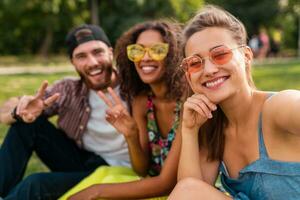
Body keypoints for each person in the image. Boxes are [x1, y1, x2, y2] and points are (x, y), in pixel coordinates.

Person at [168, 5, 300, 200]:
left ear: (246, 56)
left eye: (220, 54)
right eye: (195, 63)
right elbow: (189, 192)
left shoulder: (280, 106)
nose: (209, 70)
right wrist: (189, 130)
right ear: (188, 76)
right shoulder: (213, 128)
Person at [0, 24, 130, 200]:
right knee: (26, 123)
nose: (92, 62)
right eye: (81, 56)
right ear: (72, 62)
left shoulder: (133, 85)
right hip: (81, 162)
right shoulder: (69, 89)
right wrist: (18, 109)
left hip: (119, 170)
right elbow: (5, 111)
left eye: (97, 52)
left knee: (35, 184)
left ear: (110, 52)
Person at [60, 20, 185, 200]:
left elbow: (166, 183)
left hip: (180, 192)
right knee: (102, 176)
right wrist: (131, 135)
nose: (145, 57)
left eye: (157, 50)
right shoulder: (143, 102)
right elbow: (141, 169)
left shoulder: (187, 103)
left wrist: (96, 191)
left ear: (173, 54)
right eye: (138, 50)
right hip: (150, 185)